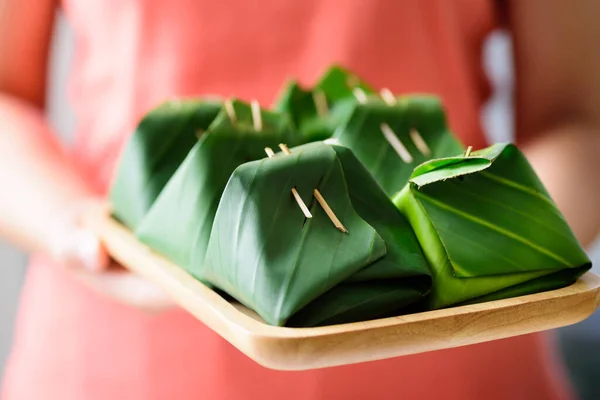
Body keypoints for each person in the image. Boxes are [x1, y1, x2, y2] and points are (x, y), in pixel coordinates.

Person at [1, 0, 599, 399]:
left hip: (464, 364)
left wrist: (504, 242)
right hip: (116, 361)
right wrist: (73, 228)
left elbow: (579, 115)